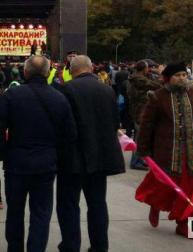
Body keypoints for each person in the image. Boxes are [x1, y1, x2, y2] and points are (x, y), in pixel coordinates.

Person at [0, 55, 76, 252]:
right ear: (48, 73)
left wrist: (3, 154)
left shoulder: (13, 95)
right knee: (41, 214)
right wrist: (57, 156)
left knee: (14, 212)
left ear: (26, 72)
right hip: (45, 165)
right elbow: (70, 135)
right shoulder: (59, 98)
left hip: (16, 163)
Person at [135, 63, 193, 238]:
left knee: (192, 190)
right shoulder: (158, 97)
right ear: (168, 78)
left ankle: (185, 223)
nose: (182, 78)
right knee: (162, 186)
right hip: (167, 152)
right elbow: (146, 126)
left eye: (184, 74)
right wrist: (143, 150)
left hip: (192, 155)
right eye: (177, 75)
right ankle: (156, 205)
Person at [57, 56, 125, 252]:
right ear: (91, 69)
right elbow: (115, 123)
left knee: (69, 205)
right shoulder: (107, 90)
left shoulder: (66, 89)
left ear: (71, 70)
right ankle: (99, 246)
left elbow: (63, 126)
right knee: (97, 204)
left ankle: (70, 245)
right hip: (100, 157)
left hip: (73, 159)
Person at [126, 60, 163, 171]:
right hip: (139, 112)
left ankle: (140, 160)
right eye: (148, 68)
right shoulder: (138, 78)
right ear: (144, 69)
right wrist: (160, 74)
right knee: (139, 137)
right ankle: (136, 161)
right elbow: (156, 85)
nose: (150, 70)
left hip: (141, 110)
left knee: (141, 136)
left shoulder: (137, 77)